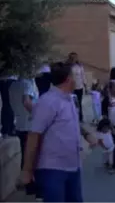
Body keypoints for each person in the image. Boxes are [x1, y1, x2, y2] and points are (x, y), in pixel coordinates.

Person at [19, 62, 98, 203]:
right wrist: (27, 171)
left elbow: (71, 122)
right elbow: (33, 136)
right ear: (68, 79)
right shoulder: (48, 102)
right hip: (53, 170)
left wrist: (86, 134)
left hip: (73, 167)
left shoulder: (69, 99)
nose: (78, 79)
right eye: (76, 76)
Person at [9, 77, 41, 199]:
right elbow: (26, 102)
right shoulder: (27, 83)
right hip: (30, 125)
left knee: (25, 155)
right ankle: (38, 188)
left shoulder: (12, 86)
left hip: (20, 125)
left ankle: (29, 186)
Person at [68, 52, 86, 122]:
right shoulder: (69, 67)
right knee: (72, 103)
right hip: (71, 88)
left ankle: (80, 117)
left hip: (79, 86)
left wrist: (85, 85)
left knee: (79, 102)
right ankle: (73, 117)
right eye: (72, 58)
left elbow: (83, 76)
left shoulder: (80, 66)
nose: (74, 59)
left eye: (75, 57)